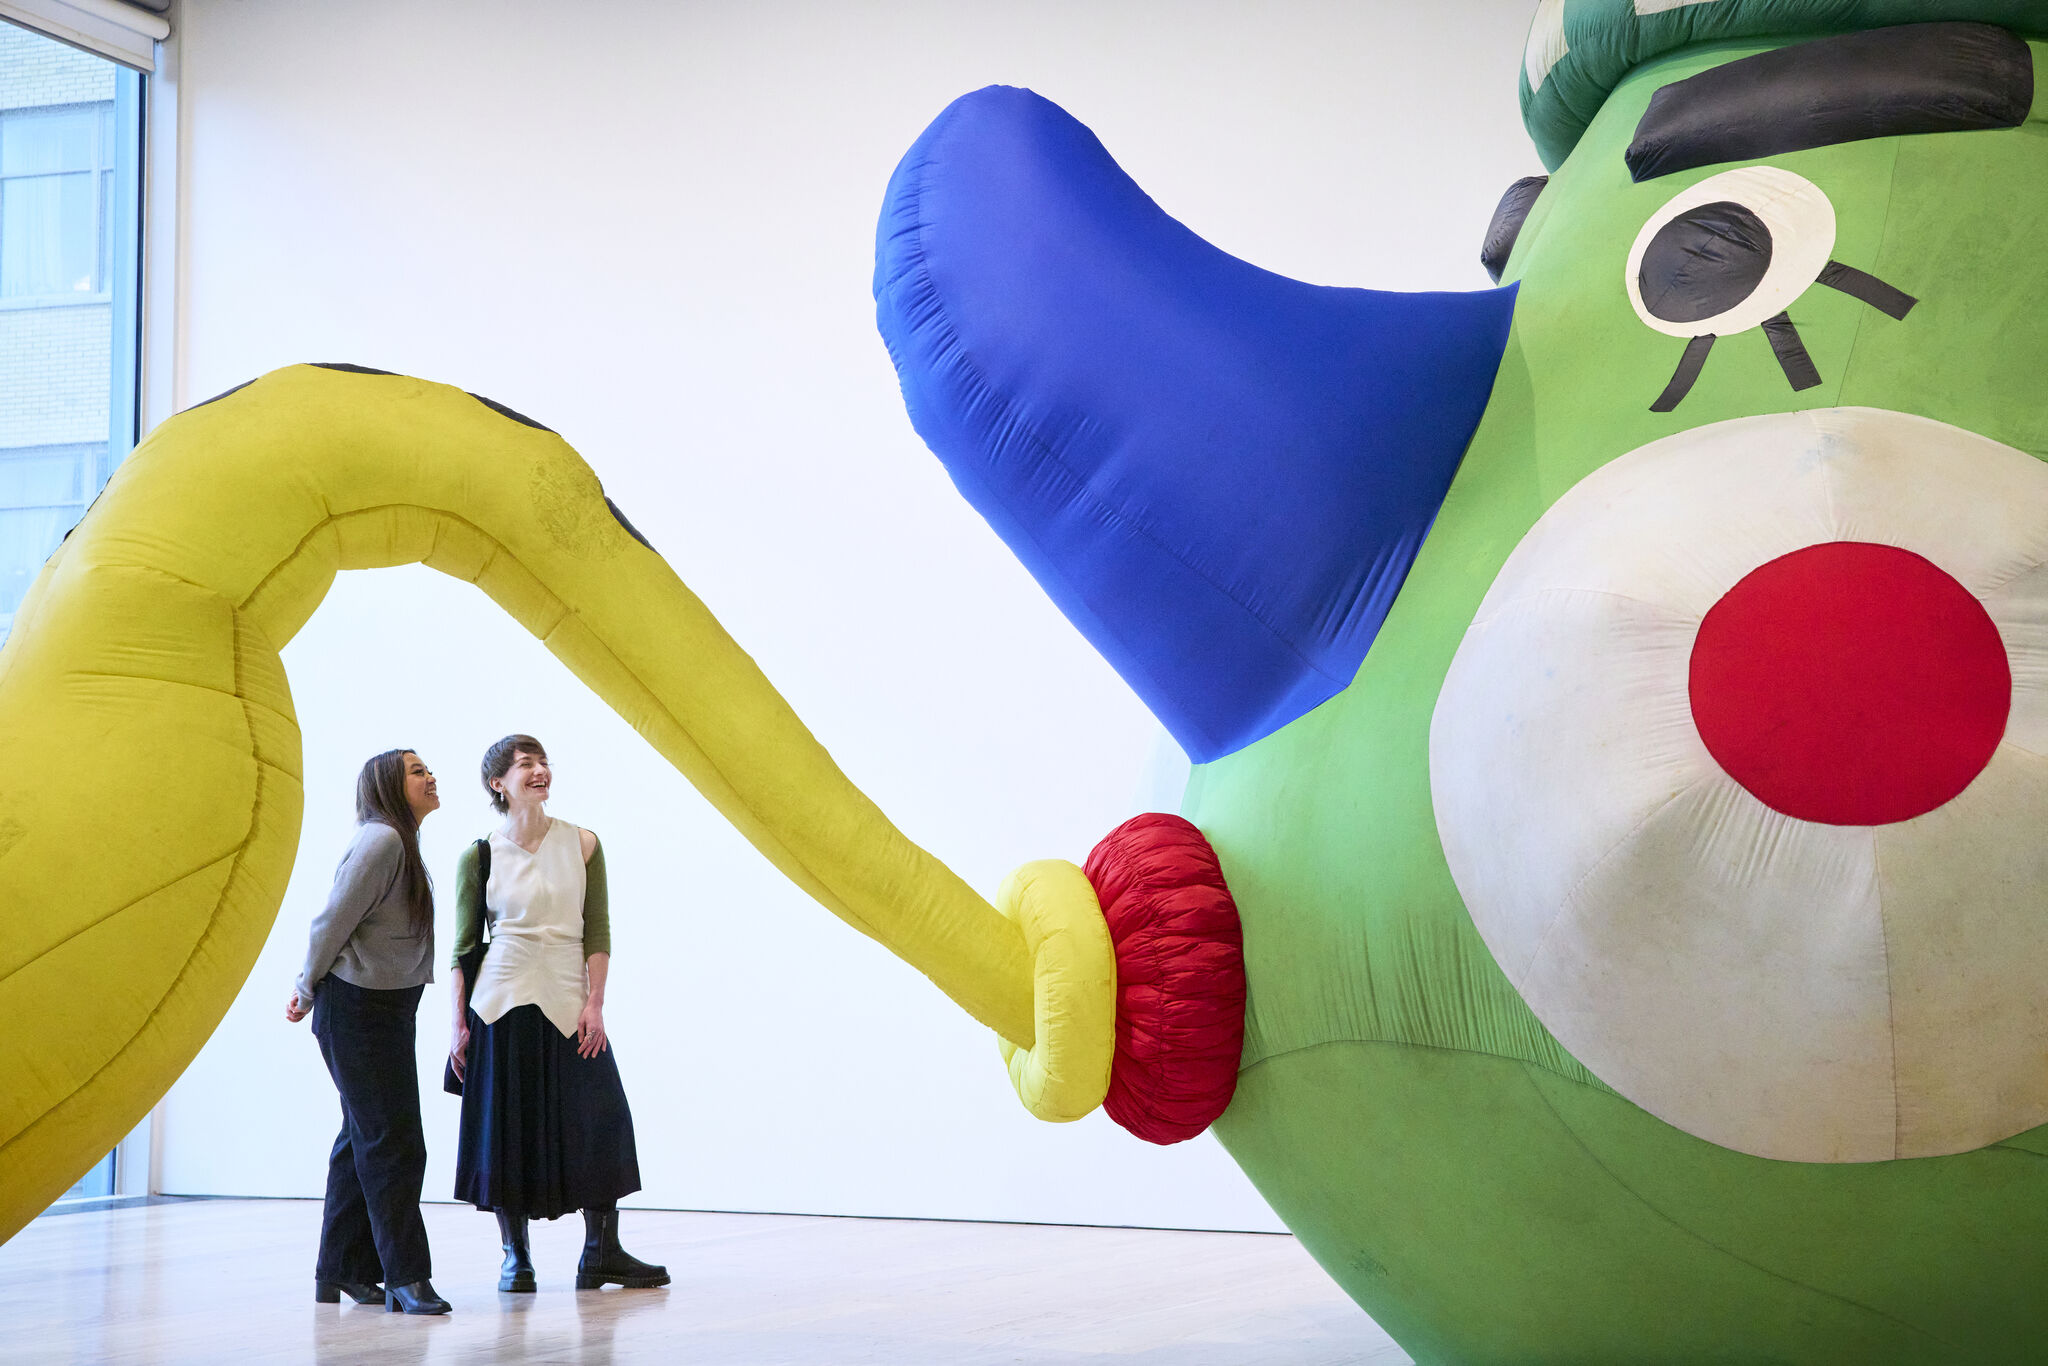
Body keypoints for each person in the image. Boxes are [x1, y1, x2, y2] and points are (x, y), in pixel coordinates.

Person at [448, 733, 667, 1293]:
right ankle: (514, 1257)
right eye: (526, 764)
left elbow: (598, 929)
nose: (539, 770)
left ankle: (602, 1252)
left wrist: (596, 1003)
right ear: (498, 783)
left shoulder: (584, 843)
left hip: (571, 997)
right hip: (501, 1000)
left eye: (543, 761)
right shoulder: (479, 855)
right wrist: (458, 1026)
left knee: (600, 1119)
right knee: (508, 1128)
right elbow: (462, 949)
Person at [286, 749, 452, 1315]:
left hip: (382, 1009)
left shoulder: (396, 841)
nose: (430, 777)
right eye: (417, 771)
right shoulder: (382, 841)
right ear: (387, 784)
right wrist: (306, 988)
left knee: (362, 1137)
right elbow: (332, 919)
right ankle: (407, 1276)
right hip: (357, 1009)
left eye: (428, 768)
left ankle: (340, 1270)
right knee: (395, 1142)